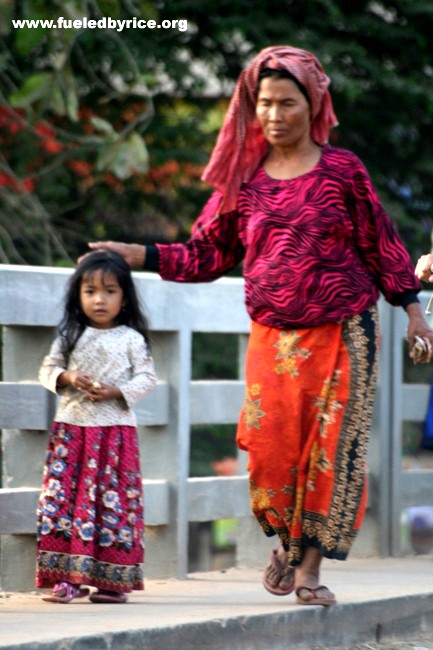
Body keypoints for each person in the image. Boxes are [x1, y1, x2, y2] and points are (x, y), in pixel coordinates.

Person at [83, 45, 433, 607]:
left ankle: (308, 572)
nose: (274, 115)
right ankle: (288, 545)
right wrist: (139, 253)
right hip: (273, 338)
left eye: (287, 103)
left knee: (331, 452)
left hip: (345, 331)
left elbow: (383, 247)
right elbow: (205, 256)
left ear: (313, 104)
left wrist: (415, 313)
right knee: (270, 453)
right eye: (264, 103)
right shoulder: (242, 182)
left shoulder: (343, 172)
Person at [36, 250, 157, 604]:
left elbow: (148, 377)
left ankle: (112, 582)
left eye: (109, 291)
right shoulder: (70, 335)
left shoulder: (132, 339)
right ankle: (67, 580)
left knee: (113, 503)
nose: (99, 299)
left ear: (124, 297)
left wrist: (117, 392)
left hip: (115, 434)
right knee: (64, 502)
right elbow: (47, 370)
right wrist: (68, 376)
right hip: (71, 434)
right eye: (90, 291)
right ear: (79, 295)